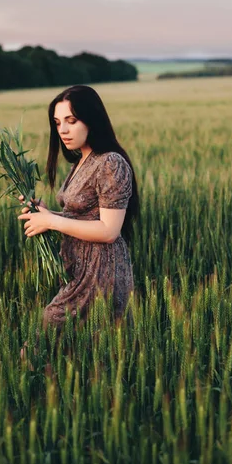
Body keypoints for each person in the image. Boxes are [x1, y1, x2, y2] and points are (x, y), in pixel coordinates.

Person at [18, 85, 139, 361]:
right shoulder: (83, 160)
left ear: (91, 119)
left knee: (46, 343)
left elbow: (109, 230)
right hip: (79, 270)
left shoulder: (110, 163)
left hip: (100, 272)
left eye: (71, 121)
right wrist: (47, 216)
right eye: (58, 123)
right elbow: (85, 217)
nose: (63, 130)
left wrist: (52, 221)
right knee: (76, 354)